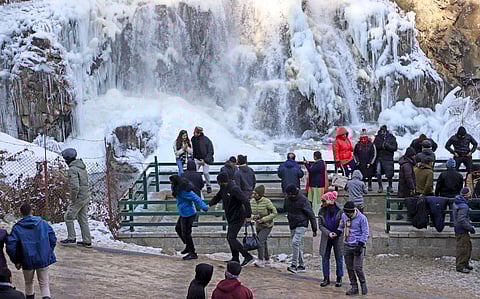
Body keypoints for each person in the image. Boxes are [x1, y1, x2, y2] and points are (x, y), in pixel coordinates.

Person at [7, 203, 56, 299]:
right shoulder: (43, 223)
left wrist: (16, 260)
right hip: (42, 258)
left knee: (28, 283)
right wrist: (48, 252)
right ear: (31, 211)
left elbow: (11, 246)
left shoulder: (17, 227)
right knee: (44, 283)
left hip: (26, 259)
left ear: (21, 213)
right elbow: (53, 238)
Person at [209, 172, 254, 267]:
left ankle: (247, 256)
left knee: (231, 238)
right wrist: (209, 204)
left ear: (221, 182)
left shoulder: (234, 189)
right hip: (230, 216)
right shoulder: (224, 188)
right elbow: (218, 197)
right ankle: (235, 257)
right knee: (230, 238)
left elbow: (245, 201)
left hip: (238, 216)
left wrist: (248, 215)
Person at [170, 175, 208, 260]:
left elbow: (196, 198)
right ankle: (188, 246)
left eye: (171, 182)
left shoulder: (184, 191)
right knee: (178, 229)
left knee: (187, 233)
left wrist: (204, 207)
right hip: (183, 213)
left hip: (189, 214)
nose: (170, 184)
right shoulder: (177, 188)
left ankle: (192, 252)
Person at [60, 148, 92, 248]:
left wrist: (73, 199)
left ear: (68, 159)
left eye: (65, 159)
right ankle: (87, 241)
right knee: (83, 219)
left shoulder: (72, 169)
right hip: (85, 196)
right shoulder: (82, 167)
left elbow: (75, 186)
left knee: (68, 217)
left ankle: (71, 238)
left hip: (79, 197)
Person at [284, 184, 318, 274]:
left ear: (293, 194)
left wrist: (314, 229)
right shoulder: (288, 199)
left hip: (302, 223)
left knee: (295, 242)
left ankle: (294, 265)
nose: (287, 196)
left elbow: (311, 214)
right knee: (297, 244)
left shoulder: (303, 200)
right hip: (292, 223)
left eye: (288, 194)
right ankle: (302, 265)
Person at [338, 201, 369, 296]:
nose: (347, 215)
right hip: (347, 244)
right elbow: (342, 225)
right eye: (346, 213)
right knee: (350, 268)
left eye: (348, 213)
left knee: (358, 267)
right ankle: (354, 286)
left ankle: (363, 284)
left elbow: (365, 232)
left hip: (357, 245)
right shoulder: (344, 216)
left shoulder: (362, 218)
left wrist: (360, 245)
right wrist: (338, 232)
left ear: (353, 211)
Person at [318, 192, 344, 288]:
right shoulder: (322, 211)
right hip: (326, 237)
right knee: (325, 258)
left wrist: (337, 232)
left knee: (339, 257)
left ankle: (339, 277)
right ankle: (326, 277)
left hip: (338, 237)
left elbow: (343, 223)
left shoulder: (340, 210)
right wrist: (328, 233)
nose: (323, 202)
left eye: (324, 200)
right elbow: (320, 225)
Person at [250, 185, 278, 268]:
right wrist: (253, 217)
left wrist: (264, 219)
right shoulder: (252, 201)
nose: (254, 195)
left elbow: (274, 213)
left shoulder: (267, 202)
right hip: (258, 225)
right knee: (263, 241)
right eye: (253, 193)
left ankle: (260, 259)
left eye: (256, 193)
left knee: (259, 241)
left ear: (260, 194)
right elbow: (249, 212)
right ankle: (267, 259)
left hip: (267, 225)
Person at [453, 187, 476, 273]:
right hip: (462, 230)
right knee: (463, 248)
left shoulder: (457, 202)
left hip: (459, 228)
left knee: (467, 246)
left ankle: (464, 263)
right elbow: (462, 219)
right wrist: (470, 228)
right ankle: (461, 265)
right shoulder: (464, 206)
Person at [373, 125, 397, 193]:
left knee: (389, 173)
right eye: (381, 131)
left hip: (388, 158)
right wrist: (382, 145)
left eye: (384, 131)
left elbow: (394, 148)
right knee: (378, 172)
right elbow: (375, 147)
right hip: (379, 158)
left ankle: (390, 186)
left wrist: (386, 146)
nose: (382, 132)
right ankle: (380, 186)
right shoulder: (377, 138)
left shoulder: (391, 138)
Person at [191, 126, 214, 193]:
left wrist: (205, 160)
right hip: (196, 159)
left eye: (196, 132)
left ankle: (208, 186)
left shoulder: (206, 140)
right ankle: (195, 186)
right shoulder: (193, 139)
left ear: (199, 133)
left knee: (206, 173)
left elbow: (210, 151)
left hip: (205, 160)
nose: (194, 134)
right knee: (194, 173)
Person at [305, 151, 328, 215]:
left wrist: (306, 164)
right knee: (316, 199)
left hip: (317, 184)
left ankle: (316, 213)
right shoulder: (320, 163)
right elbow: (314, 169)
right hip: (318, 183)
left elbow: (311, 170)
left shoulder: (318, 163)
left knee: (316, 200)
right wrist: (309, 164)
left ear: (315, 156)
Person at [397, 147, 416, 220]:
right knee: (409, 200)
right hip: (406, 186)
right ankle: (409, 216)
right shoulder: (407, 165)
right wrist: (412, 187)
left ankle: (398, 215)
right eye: (413, 155)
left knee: (401, 200)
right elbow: (409, 177)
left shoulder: (404, 162)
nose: (414, 156)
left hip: (402, 185)